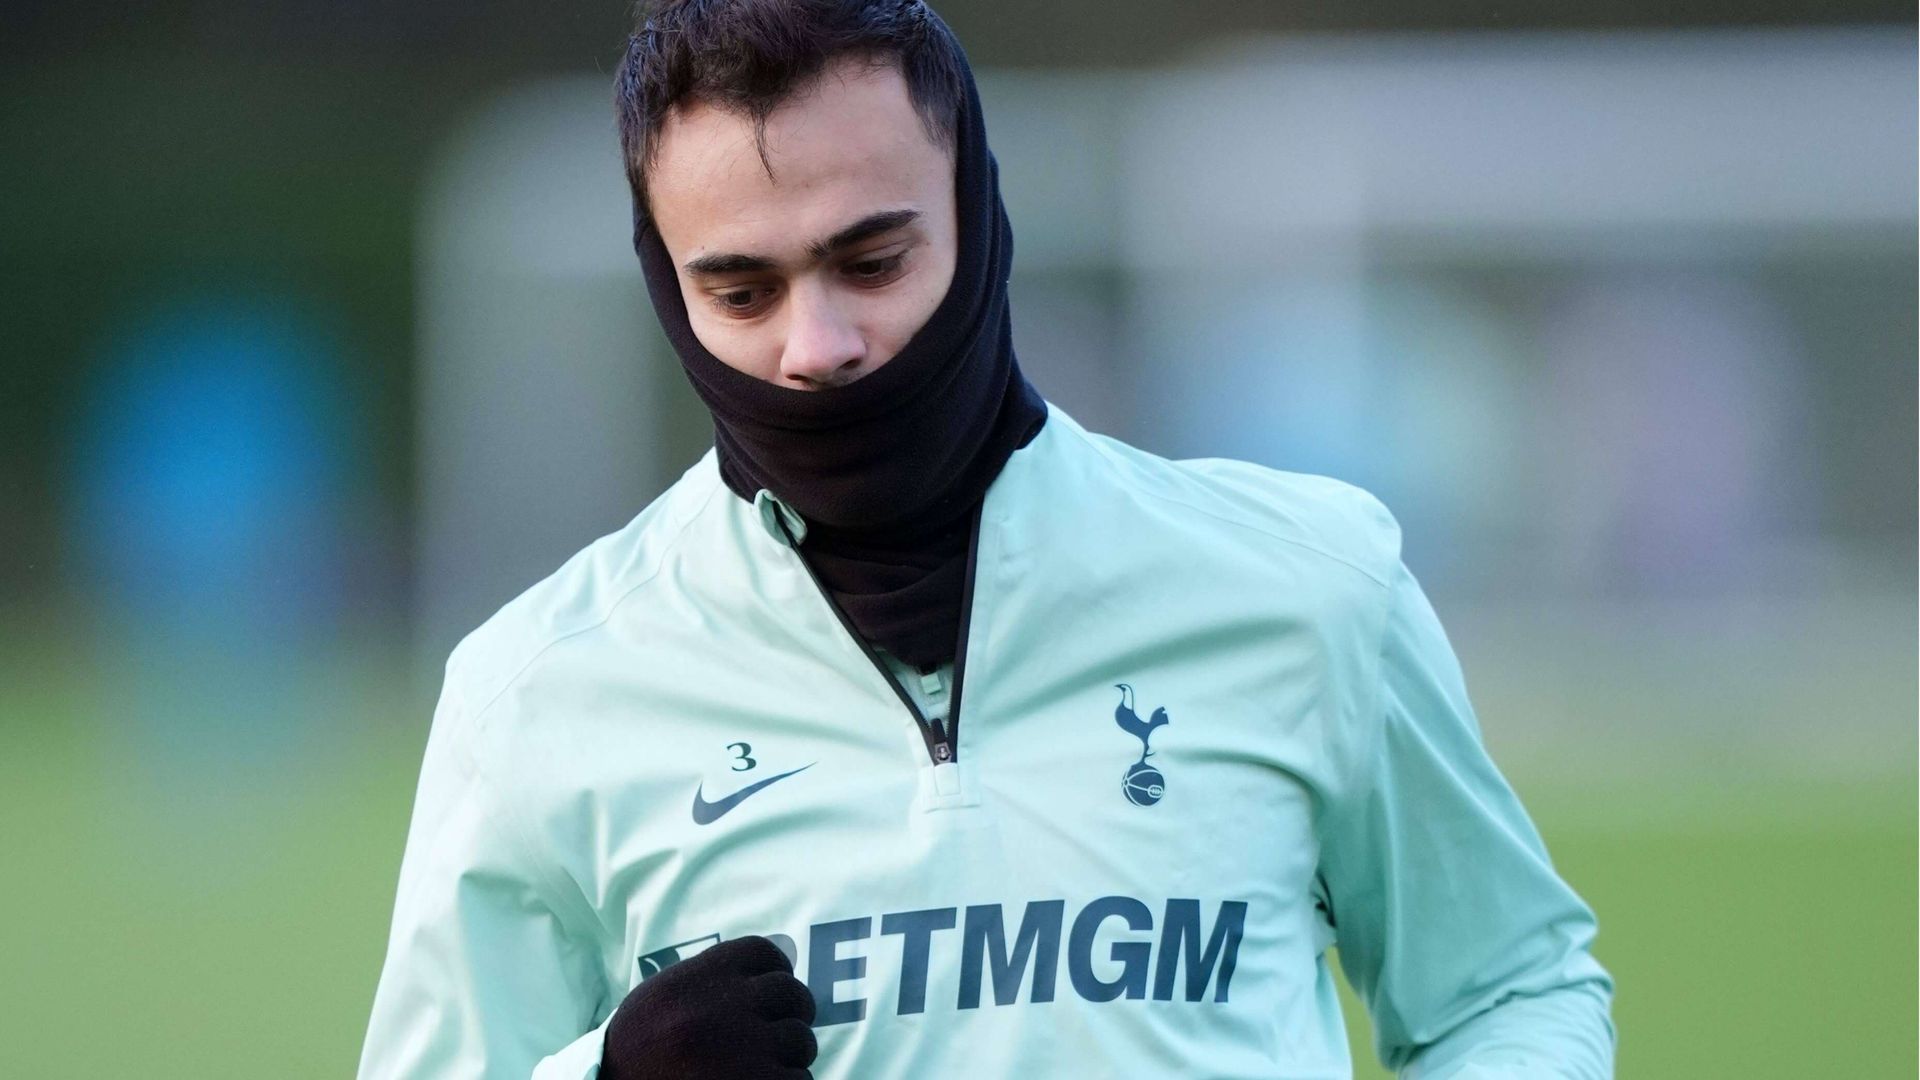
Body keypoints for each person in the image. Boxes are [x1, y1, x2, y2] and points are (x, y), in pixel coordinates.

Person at [357, 1, 1616, 1077]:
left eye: (872, 261)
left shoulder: (1310, 588)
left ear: (975, 214)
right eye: (742, 292)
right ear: (666, 285)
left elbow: (1511, 992)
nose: (818, 346)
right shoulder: (536, 693)